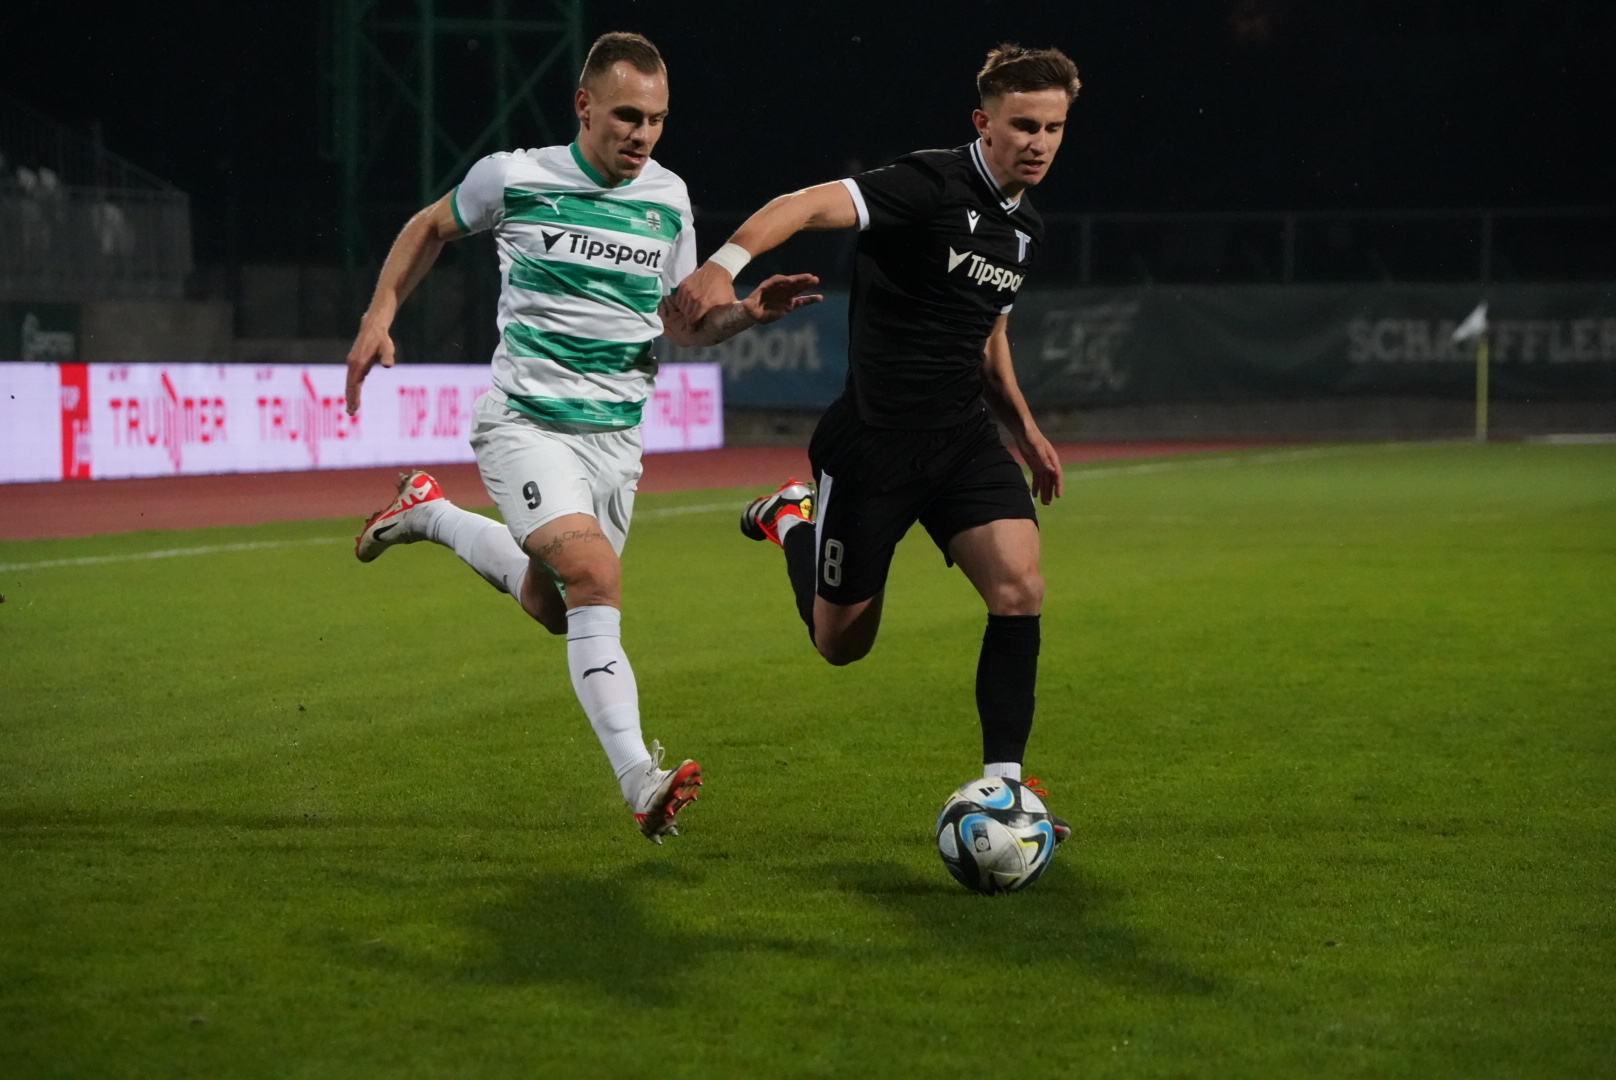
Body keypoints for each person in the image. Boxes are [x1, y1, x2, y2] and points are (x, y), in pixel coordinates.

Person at [343, 32, 821, 843]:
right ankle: (640, 777)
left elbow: (685, 325)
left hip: (614, 442)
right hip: (525, 423)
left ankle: (425, 512)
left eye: (658, 120)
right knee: (593, 574)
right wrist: (378, 315)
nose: (642, 134)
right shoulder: (515, 177)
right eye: (628, 115)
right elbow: (429, 227)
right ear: (584, 106)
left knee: (556, 607)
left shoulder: (669, 198)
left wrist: (745, 314)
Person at [675, 44, 1077, 827]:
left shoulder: (1025, 226)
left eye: (1054, 128)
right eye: (1024, 125)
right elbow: (802, 202)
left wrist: (1024, 428)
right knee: (840, 646)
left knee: (1020, 587)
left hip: (961, 441)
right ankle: (792, 518)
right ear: (983, 123)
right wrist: (725, 263)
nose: (1039, 142)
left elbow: (986, 331)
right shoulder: (926, 185)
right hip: (875, 446)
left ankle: (1007, 788)